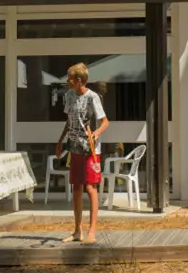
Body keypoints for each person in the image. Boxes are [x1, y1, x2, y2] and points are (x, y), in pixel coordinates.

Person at [56, 63, 109, 245]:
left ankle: (92, 231)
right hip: (75, 148)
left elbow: (105, 121)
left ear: (79, 81)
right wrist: (61, 140)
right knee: (76, 188)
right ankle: (77, 230)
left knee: (90, 188)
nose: (67, 81)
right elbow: (69, 120)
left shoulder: (93, 97)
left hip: (91, 149)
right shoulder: (69, 95)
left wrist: (96, 133)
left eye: (69, 78)